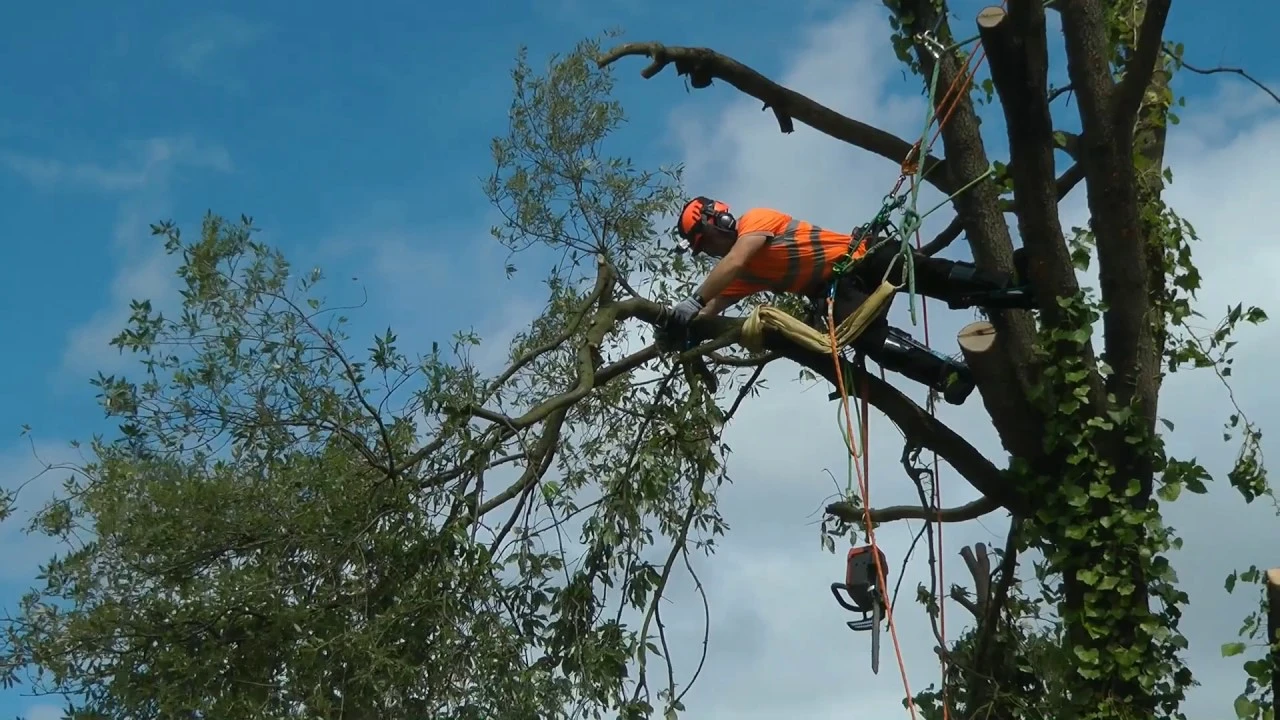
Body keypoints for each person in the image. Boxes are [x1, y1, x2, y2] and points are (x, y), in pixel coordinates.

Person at [661, 196, 1036, 405]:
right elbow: (713, 306)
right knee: (865, 337)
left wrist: (694, 300)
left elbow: (734, 261)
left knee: (929, 273)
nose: (707, 251)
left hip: (859, 255)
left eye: (704, 241)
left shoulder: (755, 221)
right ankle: (945, 375)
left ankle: (1008, 286)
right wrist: (684, 328)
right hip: (839, 291)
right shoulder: (740, 276)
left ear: (717, 223)